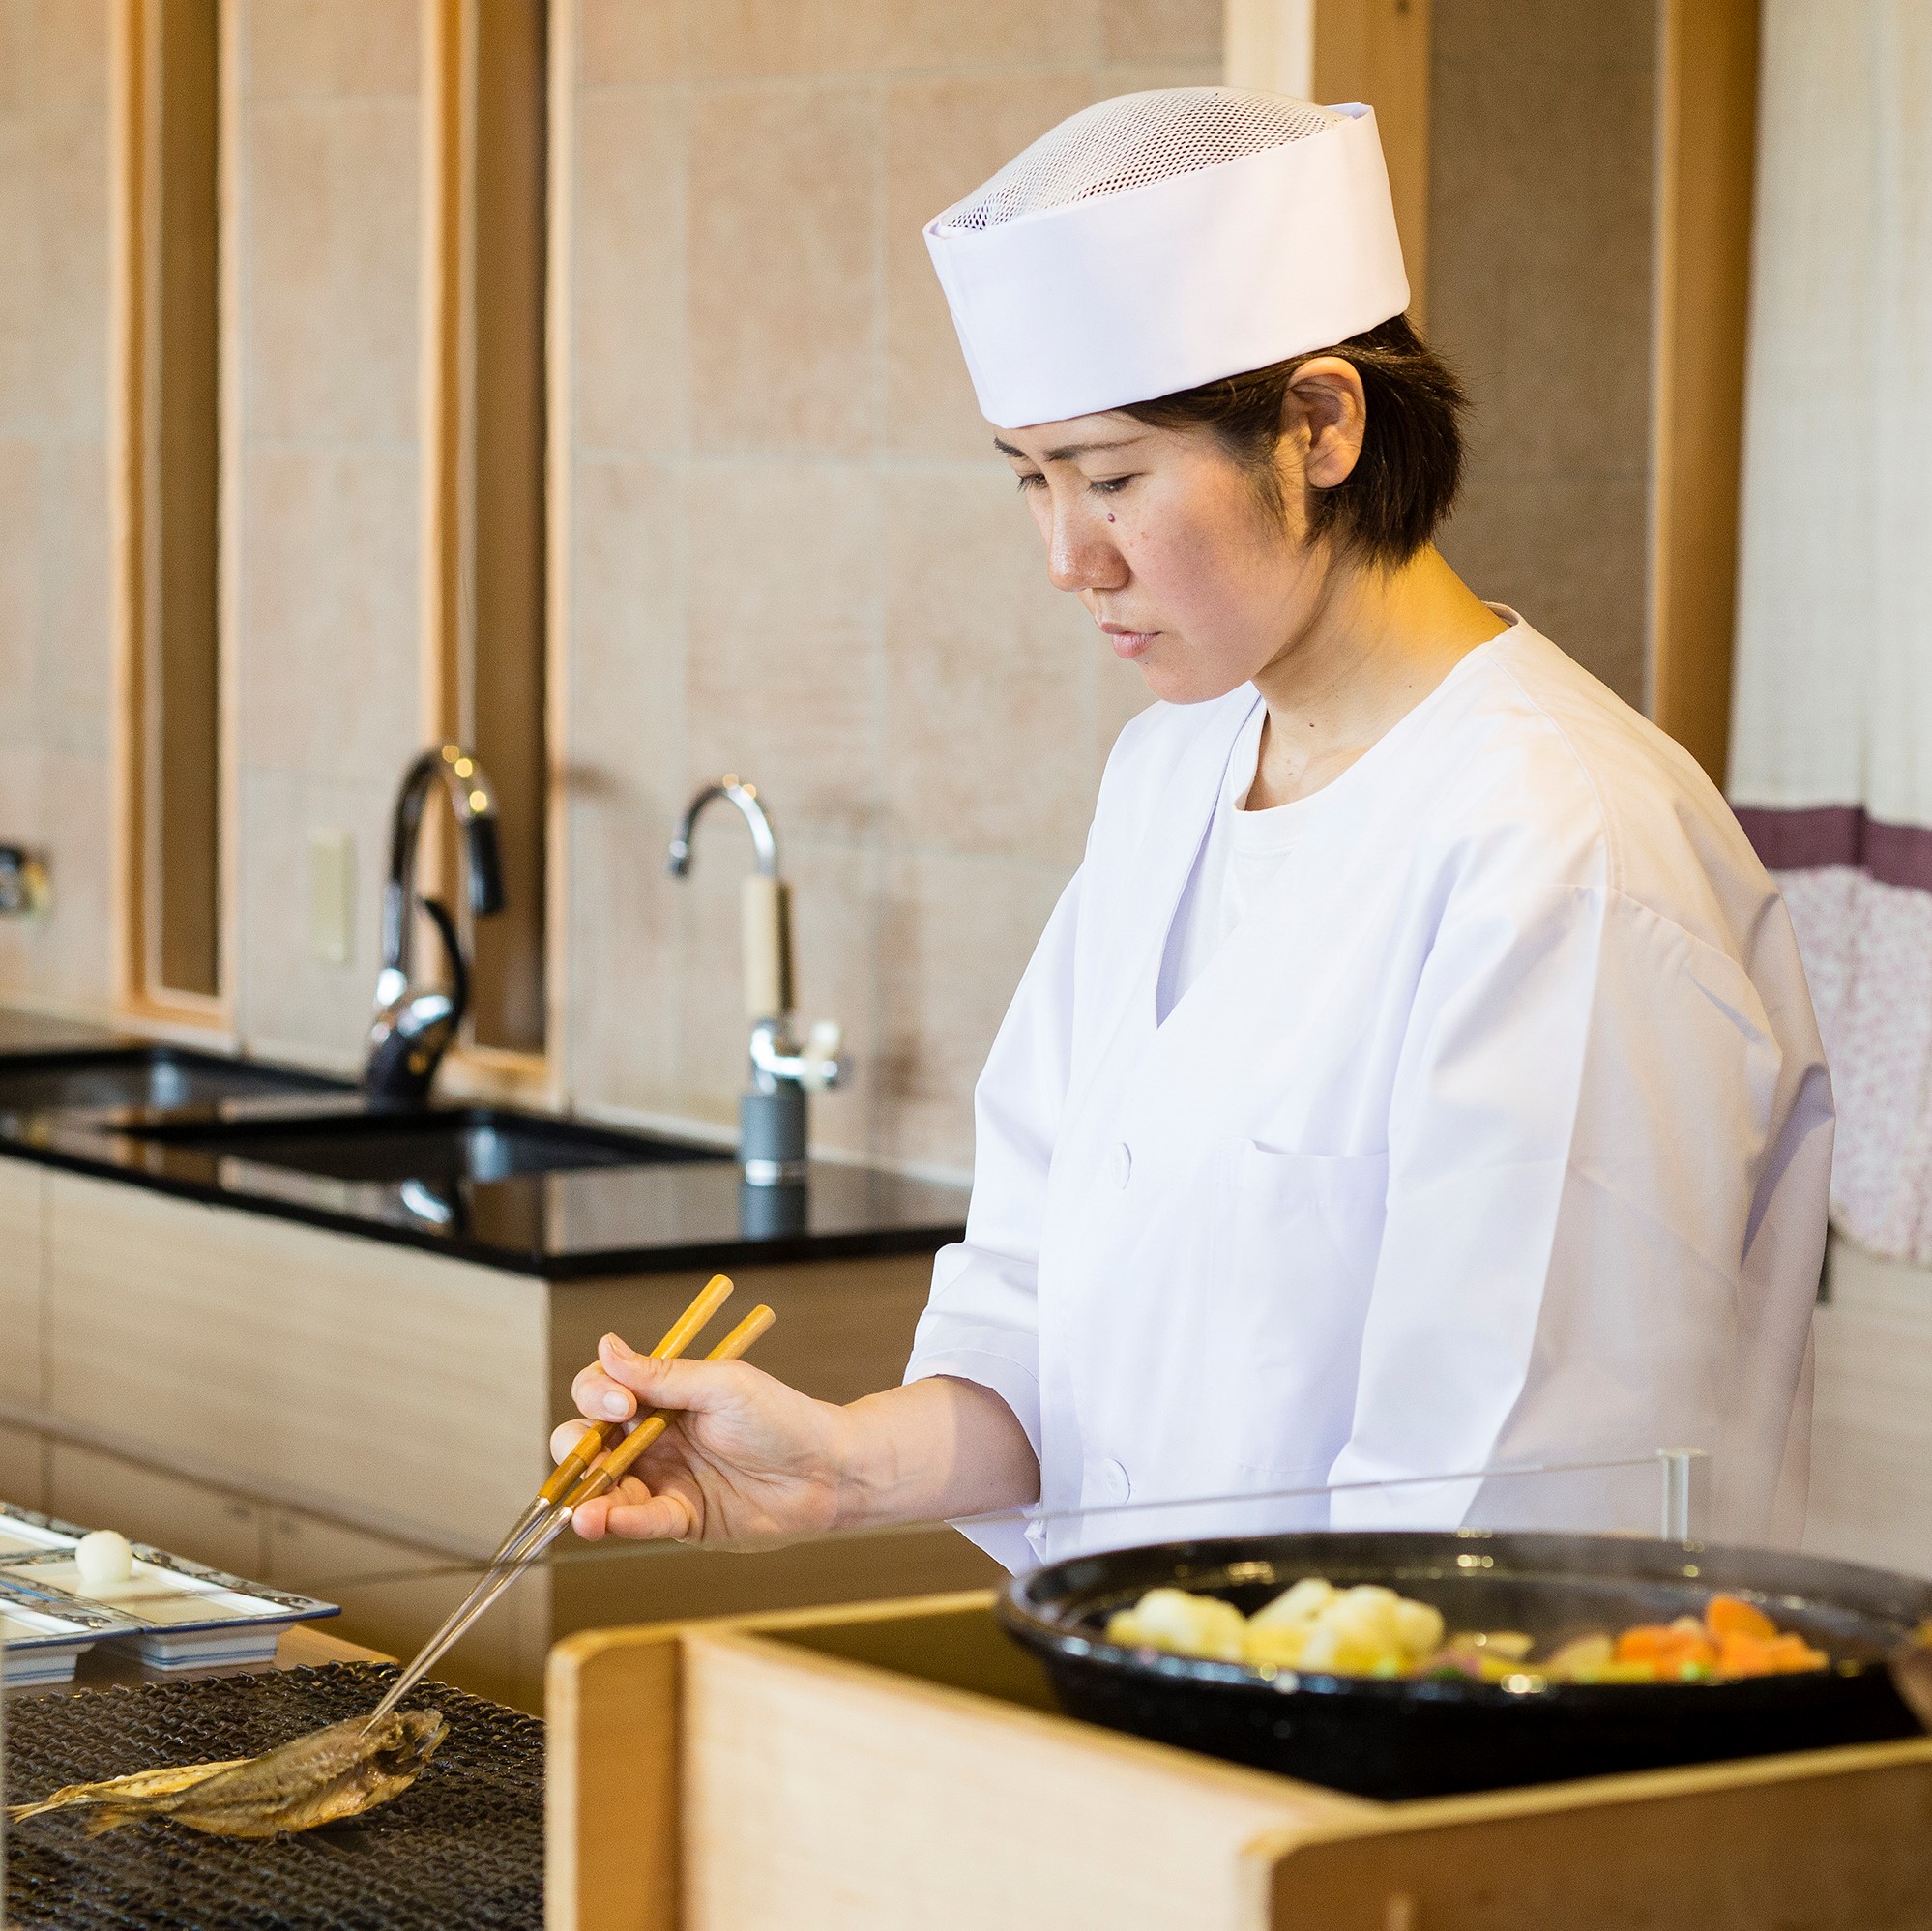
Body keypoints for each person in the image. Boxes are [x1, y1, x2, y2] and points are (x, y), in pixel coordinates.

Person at [557, 89, 1832, 1565]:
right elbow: (1041, 1321)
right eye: (1029, 479)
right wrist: (836, 1467)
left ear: (1319, 423)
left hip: (1431, 1762)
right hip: (1174, 1707)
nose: (1064, 555)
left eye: (1109, 478)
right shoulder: (1171, 779)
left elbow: (1508, 1510)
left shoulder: (1563, 846)